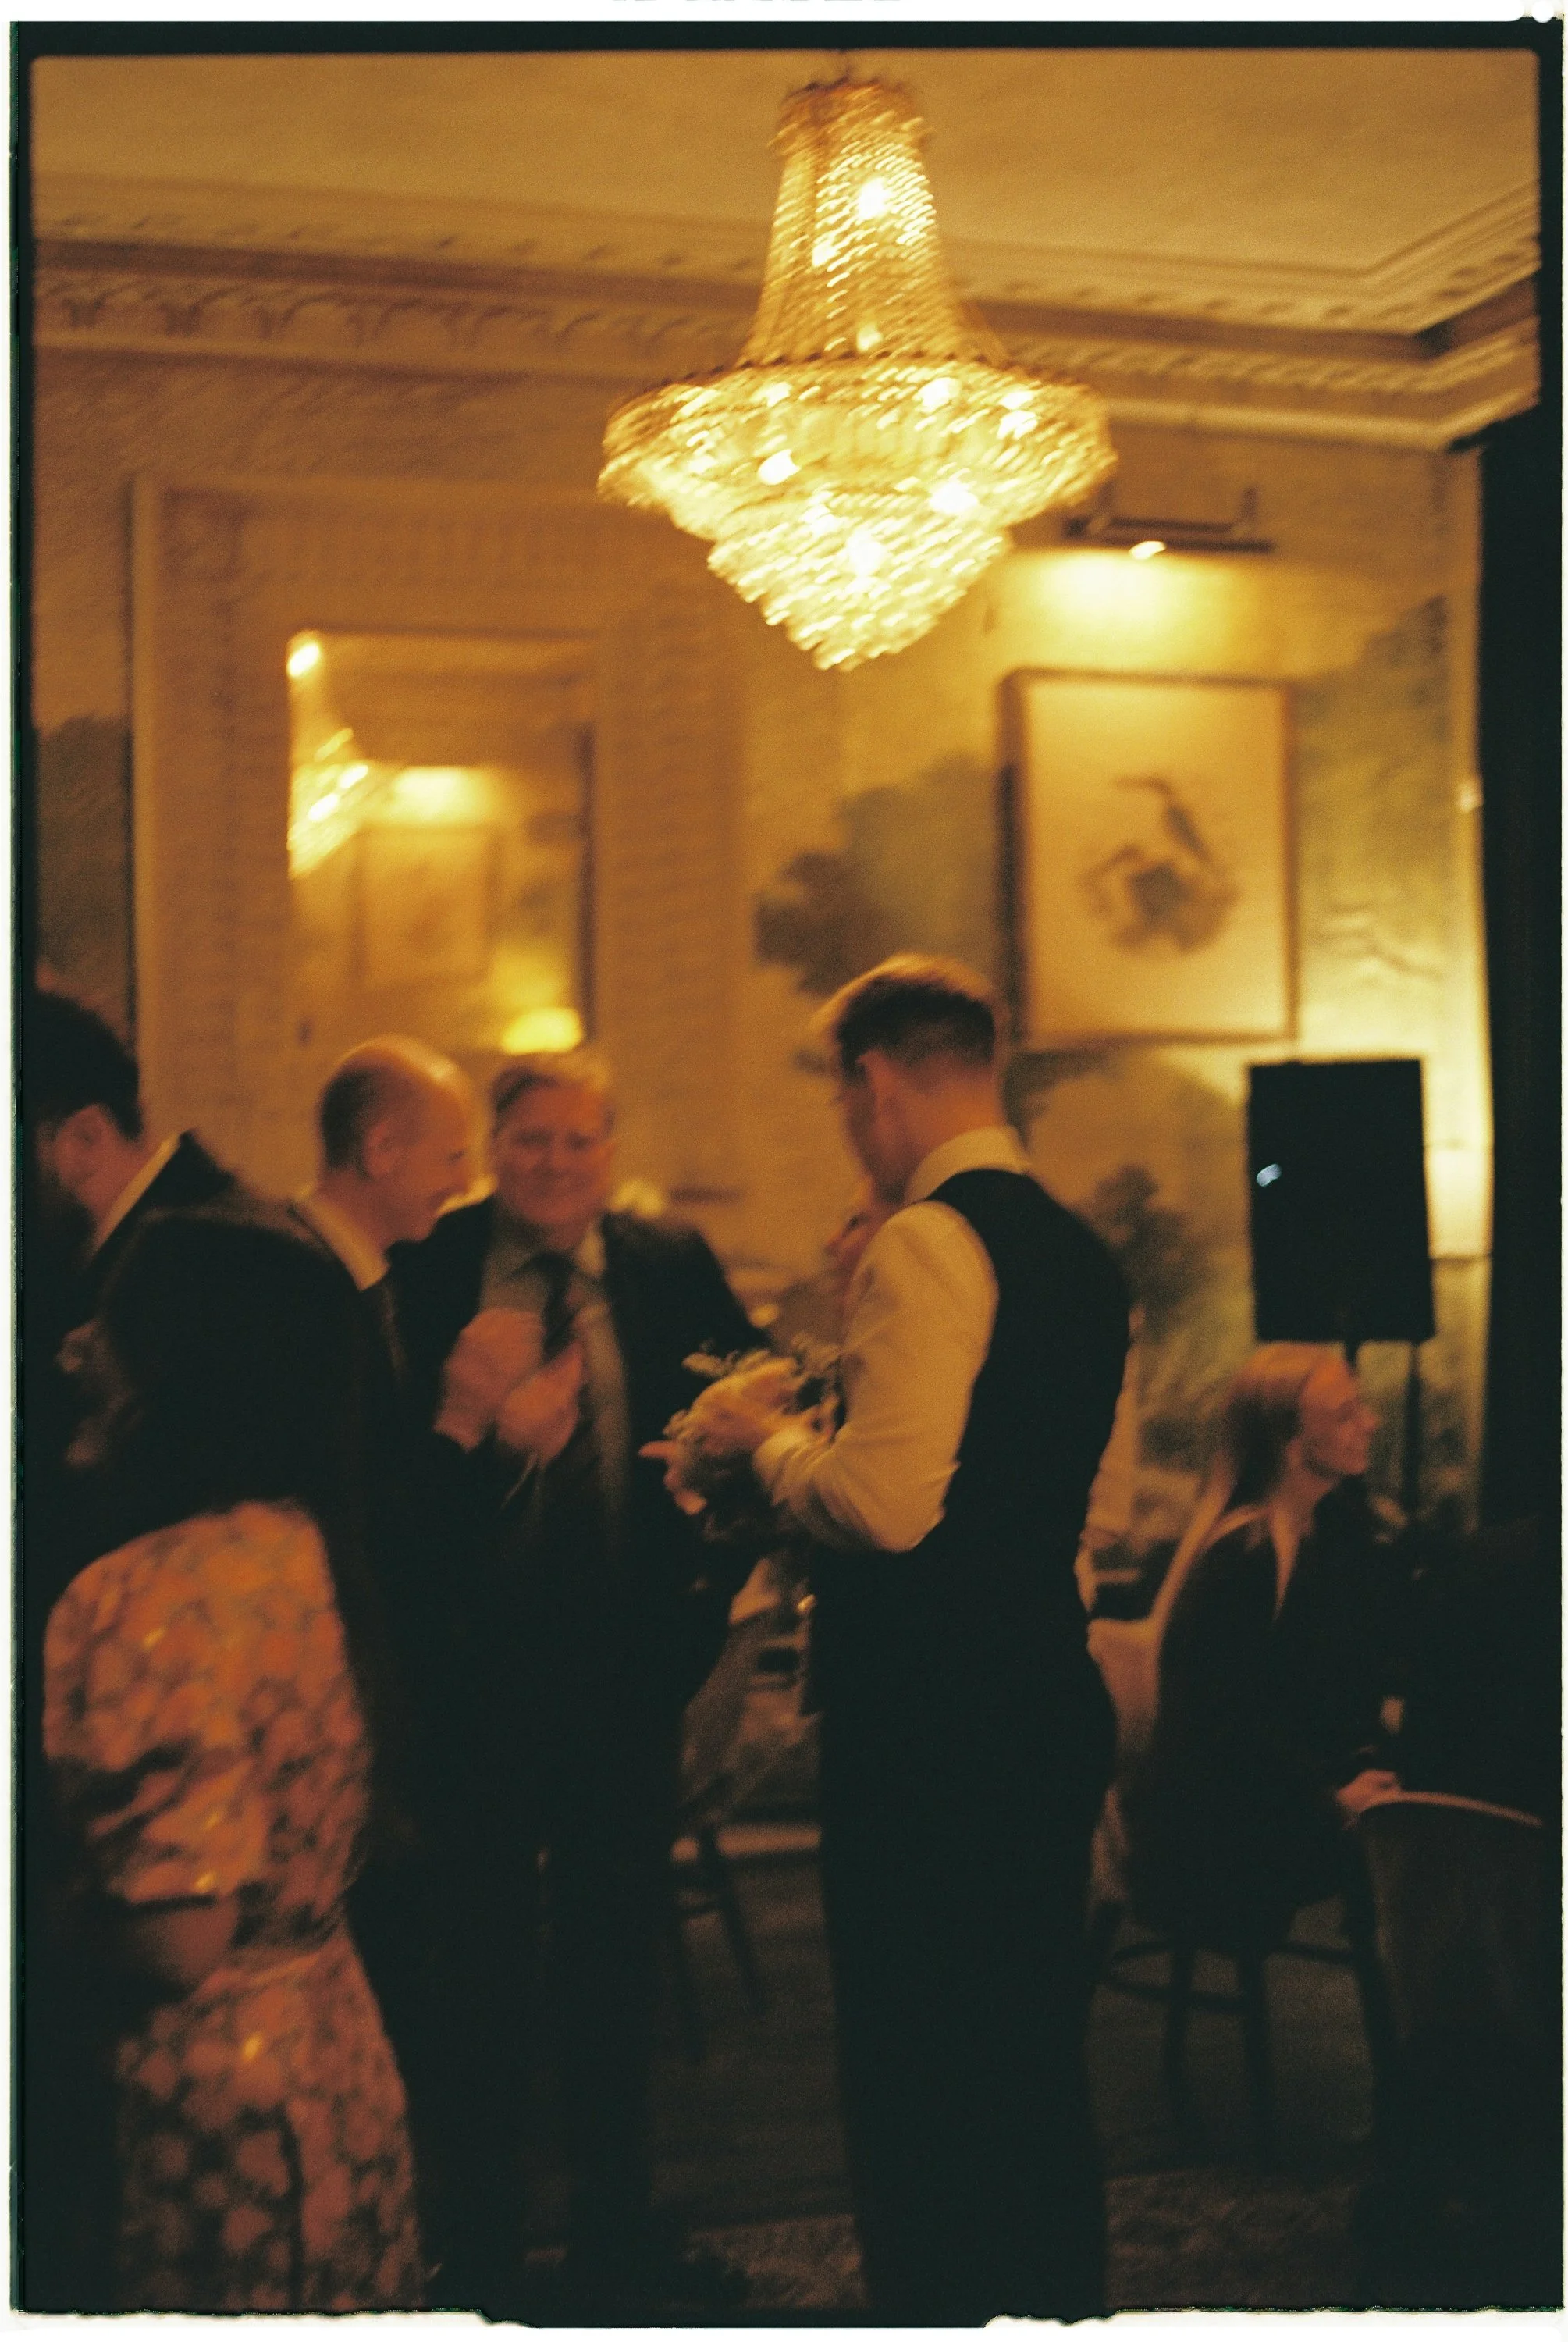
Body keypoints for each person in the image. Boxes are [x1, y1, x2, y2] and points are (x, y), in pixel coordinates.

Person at [682, 955, 1129, 2325]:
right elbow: (1073, 1505)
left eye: (840, 1096)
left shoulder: (927, 1240)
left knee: (918, 2075)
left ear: (874, 1081)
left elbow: (882, 1503)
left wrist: (760, 1442)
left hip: (933, 1732)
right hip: (1037, 1696)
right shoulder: (1076, 1250)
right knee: (1027, 2065)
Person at [393, 1045, 757, 2315]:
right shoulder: (425, 1270)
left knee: (615, 1967)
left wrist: (704, 1595)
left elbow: (759, 1420)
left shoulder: (666, 1266)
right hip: (470, 1686)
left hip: (622, 1677)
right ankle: (474, 2243)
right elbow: (387, 1481)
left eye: (576, 1140)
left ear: (610, 1150)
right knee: (476, 1970)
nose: (553, 1162)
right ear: (496, 1151)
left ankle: (616, 2234)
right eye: (530, 1139)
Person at [42, 1212, 425, 2311]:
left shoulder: (147, 1594)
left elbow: (177, 1936)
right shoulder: (309, 1545)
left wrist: (46, 1919)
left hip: (204, 2106)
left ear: (184, 1370)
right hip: (335, 2048)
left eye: (113, 1324)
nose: (77, 1345)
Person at [1126, 1345, 1406, 2020]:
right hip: (1211, 1845)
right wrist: (1329, 1793)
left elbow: (1300, 1703)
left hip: (1249, 1803)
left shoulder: (1313, 1535)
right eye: (1344, 1414)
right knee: (1432, 1847)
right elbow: (1220, 1732)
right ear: (1289, 1446)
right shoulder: (1246, 1559)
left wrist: (1360, 1765)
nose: (1367, 1423)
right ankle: (1428, 2080)